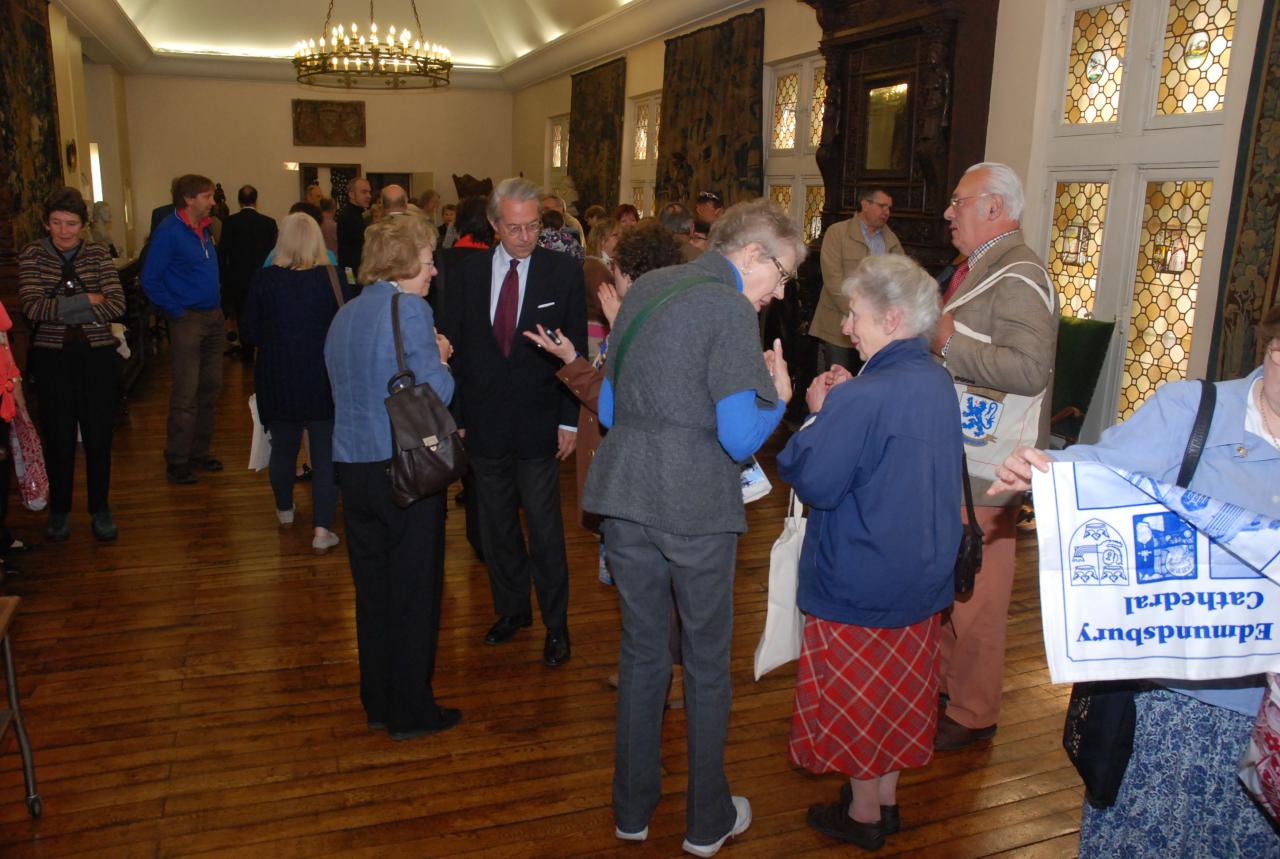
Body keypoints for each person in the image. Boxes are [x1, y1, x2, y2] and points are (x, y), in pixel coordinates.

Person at [988, 304, 1280, 858]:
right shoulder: (1194, 412)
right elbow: (1102, 469)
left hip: (1270, 718)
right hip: (1174, 702)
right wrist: (1043, 471)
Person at [582, 198, 804, 856]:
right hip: (693, 511)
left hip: (623, 497)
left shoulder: (647, 286)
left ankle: (632, 807)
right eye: (784, 274)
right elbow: (739, 438)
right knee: (706, 666)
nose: (780, 292)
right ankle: (708, 820)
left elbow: (615, 406)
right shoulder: (729, 306)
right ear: (754, 256)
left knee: (643, 653)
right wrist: (781, 399)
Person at [777, 254, 961, 850]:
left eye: (854, 315)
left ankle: (862, 819)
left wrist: (815, 417)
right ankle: (885, 799)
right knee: (898, 697)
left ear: (891, 316)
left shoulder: (862, 398)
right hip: (921, 572)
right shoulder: (935, 379)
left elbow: (816, 481)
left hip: (861, 575)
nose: (847, 327)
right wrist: (849, 405)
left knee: (858, 701)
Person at [930, 162, 1059, 750]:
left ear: (994, 207)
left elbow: (1029, 370)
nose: (948, 212)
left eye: (959, 202)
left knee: (978, 595)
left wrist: (949, 342)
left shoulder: (1020, 273)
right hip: (957, 459)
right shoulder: (982, 266)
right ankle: (946, 688)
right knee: (953, 581)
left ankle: (975, 710)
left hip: (989, 470)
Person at [324, 213, 460, 740]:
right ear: (404, 263)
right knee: (414, 591)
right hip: (405, 470)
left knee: (373, 591)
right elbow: (436, 397)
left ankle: (377, 700)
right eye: (428, 262)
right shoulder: (411, 311)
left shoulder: (346, 315)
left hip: (352, 469)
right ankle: (411, 711)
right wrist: (444, 359)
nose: (433, 273)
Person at [442, 177, 587, 667]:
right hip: (483, 422)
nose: (525, 237)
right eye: (514, 228)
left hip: (540, 424)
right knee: (496, 526)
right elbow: (455, 352)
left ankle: (556, 624)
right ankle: (511, 611)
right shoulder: (465, 272)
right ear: (493, 224)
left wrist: (570, 422)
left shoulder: (563, 272)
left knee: (546, 529)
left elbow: (576, 354)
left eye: (532, 228)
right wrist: (457, 417)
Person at [18, 186, 127, 541]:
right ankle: (60, 509)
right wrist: (87, 300)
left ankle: (100, 507)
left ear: (83, 224)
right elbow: (32, 308)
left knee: (98, 435)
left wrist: (64, 305)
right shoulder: (33, 254)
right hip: (52, 358)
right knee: (59, 435)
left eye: (71, 224)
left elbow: (115, 305)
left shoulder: (96, 253)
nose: (64, 232)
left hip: (96, 356)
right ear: (46, 222)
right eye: (56, 223)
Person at [240, 213, 347, 553]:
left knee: (283, 449)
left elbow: (249, 333)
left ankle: (285, 511)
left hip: (278, 377)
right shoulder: (332, 278)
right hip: (323, 379)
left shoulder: (264, 279)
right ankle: (321, 529)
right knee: (325, 455)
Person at [142, 173, 225, 485]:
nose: (212, 201)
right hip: (187, 318)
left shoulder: (206, 230)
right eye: (207, 196)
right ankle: (177, 458)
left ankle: (200, 451)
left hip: (213, 316)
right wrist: (176, 310)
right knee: (186, 392)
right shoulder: (169, 232)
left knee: (210, 387)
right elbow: (151, 279)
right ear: (189, 200)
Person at [432, 195, 493, 561]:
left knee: (441, 452)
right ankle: (484, 539)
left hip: (447, 367)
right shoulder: (495, 264)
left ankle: (435, 534)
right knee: (484, 466)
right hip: (484, 372)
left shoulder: (442, 261)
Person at [812, 189, 903, 373]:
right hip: (838, 327)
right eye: (882, 206)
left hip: (874, 331)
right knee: (835, 383)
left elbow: (899, 281)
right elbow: (833, 281)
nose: (886, 212)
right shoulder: (837, 233)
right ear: (865, 204)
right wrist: (858, 314)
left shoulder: (891, 240)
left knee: (867, 383)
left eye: (889, 208)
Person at [218, 185, 279, 359]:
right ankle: (263, 348)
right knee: (263, 313)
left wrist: (224, 278)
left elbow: (223, 253)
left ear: (238, 201)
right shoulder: (269, 222)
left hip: (237, 278)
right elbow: (273, 252)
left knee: (242, 313)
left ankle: (246, 351)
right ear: (256, 200)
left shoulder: (229, 223)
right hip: (262, 276)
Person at [583, 218, 622, 362]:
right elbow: (602, 304)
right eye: (615, 235)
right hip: (596, 335)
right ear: (602, 240)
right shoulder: (595, 268)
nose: (621, 239)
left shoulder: (601, 265)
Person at [336, 177, 372, 282]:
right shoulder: (348, 216)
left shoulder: (358, 214)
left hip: (355, 271)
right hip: (351, 272)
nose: (369, 196)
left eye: (369, 192)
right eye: (364, 192)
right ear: (351, 195)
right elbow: (350, 253)